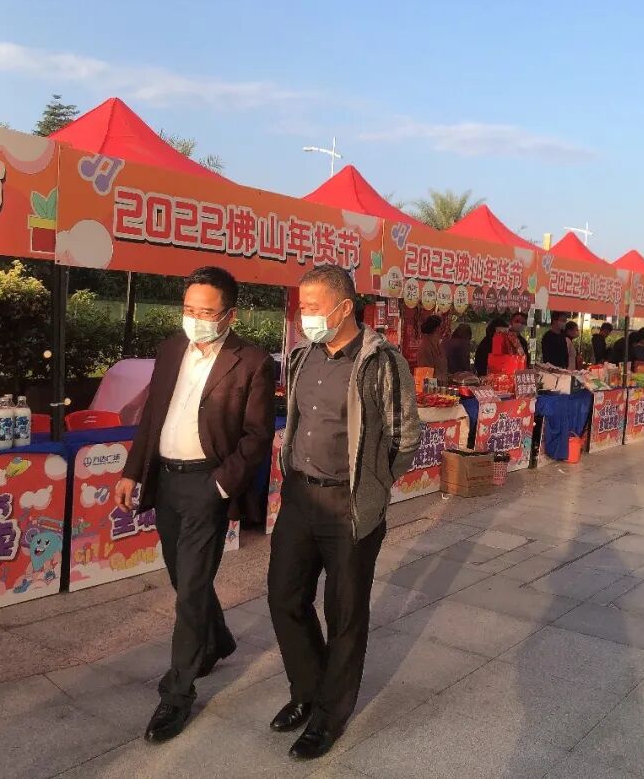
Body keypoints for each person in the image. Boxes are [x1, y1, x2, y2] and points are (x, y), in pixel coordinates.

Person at [114, 266, 275, 743]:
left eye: (206, 312)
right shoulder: (169, 351)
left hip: (208, 485)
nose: (195, 320)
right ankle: (217, 639)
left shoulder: (252, 361)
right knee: (183, 577)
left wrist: (220, 486)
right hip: (166, 481)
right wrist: (131, 472)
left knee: (190, 590)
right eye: (188, 309)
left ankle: (178, 693)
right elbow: (152, 418)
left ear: (229, 315)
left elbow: (257, 436)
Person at [268, 265, 420, 760]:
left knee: (345, 611)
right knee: (284, 597)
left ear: (344, 307)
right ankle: (307, 690)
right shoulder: (301, 356)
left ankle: (331, 715)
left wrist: (374, 483)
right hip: (299, 497)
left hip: (349, 504)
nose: (305, 316)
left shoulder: (382, 362)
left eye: (313, 307)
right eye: (302, 307)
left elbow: (404, 438)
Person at [415, 315, 448, 383]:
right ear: (437, 328)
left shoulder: (439, 345)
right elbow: (425, 373)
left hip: (440, 385)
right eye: (442, 327)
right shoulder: (424, 346)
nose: (444, 329)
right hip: (430, 386)